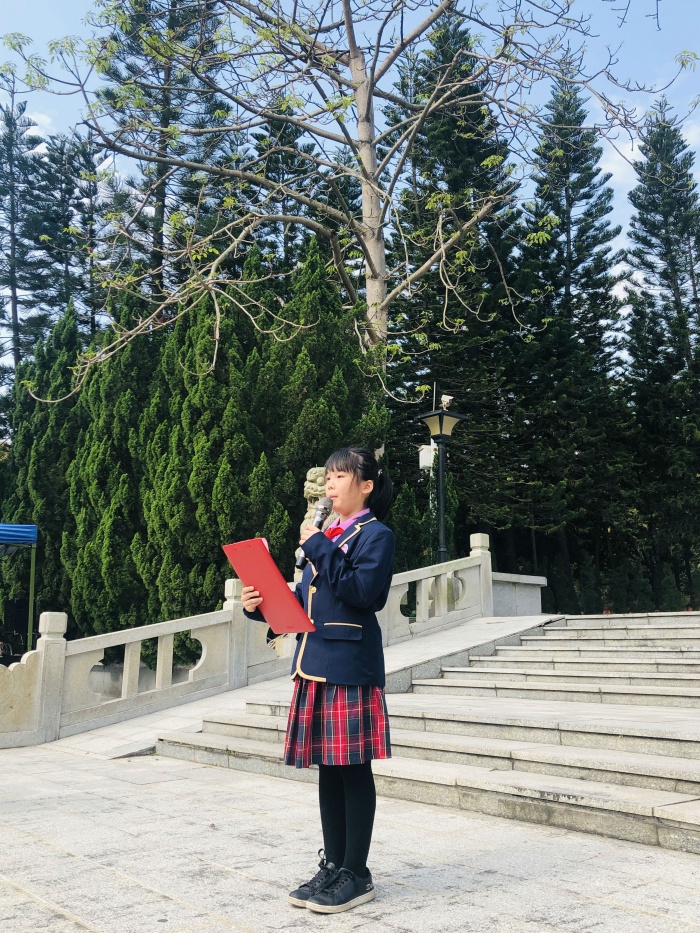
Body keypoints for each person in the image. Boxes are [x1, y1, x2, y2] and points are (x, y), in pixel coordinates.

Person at [241, 446, 394, 914]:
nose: (330, 483)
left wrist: (318, 546)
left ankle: (357, 874)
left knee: (353, 769)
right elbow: (308, 602)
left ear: (366, 485)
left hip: (349, 665)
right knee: (329, 768)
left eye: (340, 476)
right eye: (328, 476)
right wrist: (261, 605)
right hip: (313, 661)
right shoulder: (324, 536)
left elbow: (363, 593)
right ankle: (333, 865)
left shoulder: (376, 535)